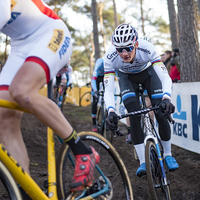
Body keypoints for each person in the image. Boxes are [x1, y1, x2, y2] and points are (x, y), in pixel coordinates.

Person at [0, 0, 99, 196]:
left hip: (50, 32)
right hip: (20, 46)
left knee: (21, 91)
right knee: (3, 116)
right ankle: (24, 191)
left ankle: (82, 151)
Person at [104, 23, 179, 177]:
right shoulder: (110, 57)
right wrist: (110, 110)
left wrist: (166, 97)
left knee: (160, 111)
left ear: (136, 44)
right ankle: (143, 162)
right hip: (126, 78)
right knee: (133, 113)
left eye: (129, 48)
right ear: (114, 48)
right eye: (120, 49)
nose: (124, 53)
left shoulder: (147, 48)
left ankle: (168, 154)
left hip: (148, 75)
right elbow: (109, 89)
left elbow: (165, 76)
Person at [91, 58, 124, 136]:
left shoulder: (113, 64)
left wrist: (122, 90)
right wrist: (95, 91)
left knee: (108, 95)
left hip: (106, 76)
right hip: (98, 77)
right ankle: (94, 123)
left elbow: (119, 78)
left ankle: (106, 117)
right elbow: (93, 79)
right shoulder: (99, 63)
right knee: (95, 99)